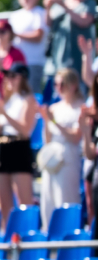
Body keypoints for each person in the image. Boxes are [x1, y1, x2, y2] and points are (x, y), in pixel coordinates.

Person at [0, 64, 39, 226]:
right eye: (7, 76)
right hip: (2, 148)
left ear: (22, 78)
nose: (8, 80)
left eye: (13, 76)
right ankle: (7, 239)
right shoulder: (7, 100)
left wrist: (3, 113)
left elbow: (25, 130)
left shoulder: (28, 100)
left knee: (24, 201)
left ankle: (27, 238)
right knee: (4, 203)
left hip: (19, 147)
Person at [38, 68, 85, 229]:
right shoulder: (54, 107)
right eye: (56, 84)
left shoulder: (80, 108)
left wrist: (54, 121)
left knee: (66, 199)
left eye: (62, 84)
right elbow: (47, 139)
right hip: (52, 160)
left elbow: (75, 137)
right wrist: (46, 121)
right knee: (49, 202)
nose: (58, 87)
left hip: (68, 159)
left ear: (73, 85)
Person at [44, 0, 96, 84]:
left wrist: (64, 6)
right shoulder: (61, 3)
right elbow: (48, 23)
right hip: (58, 57)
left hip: (79, 59)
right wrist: (47, 7)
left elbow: (84, 21)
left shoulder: (88, 3)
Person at [9, 0, 48, 93]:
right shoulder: (15, 15)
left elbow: (38, 36)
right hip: (15, 62)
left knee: (32, 94)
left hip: (33, 62)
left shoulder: (40, 13)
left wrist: (16, 34)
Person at [0, 19, 26, 91]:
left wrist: (2, 69)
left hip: (10, 93)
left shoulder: (17, 54)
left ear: (10, 33)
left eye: (2, 31)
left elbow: (22, 78)